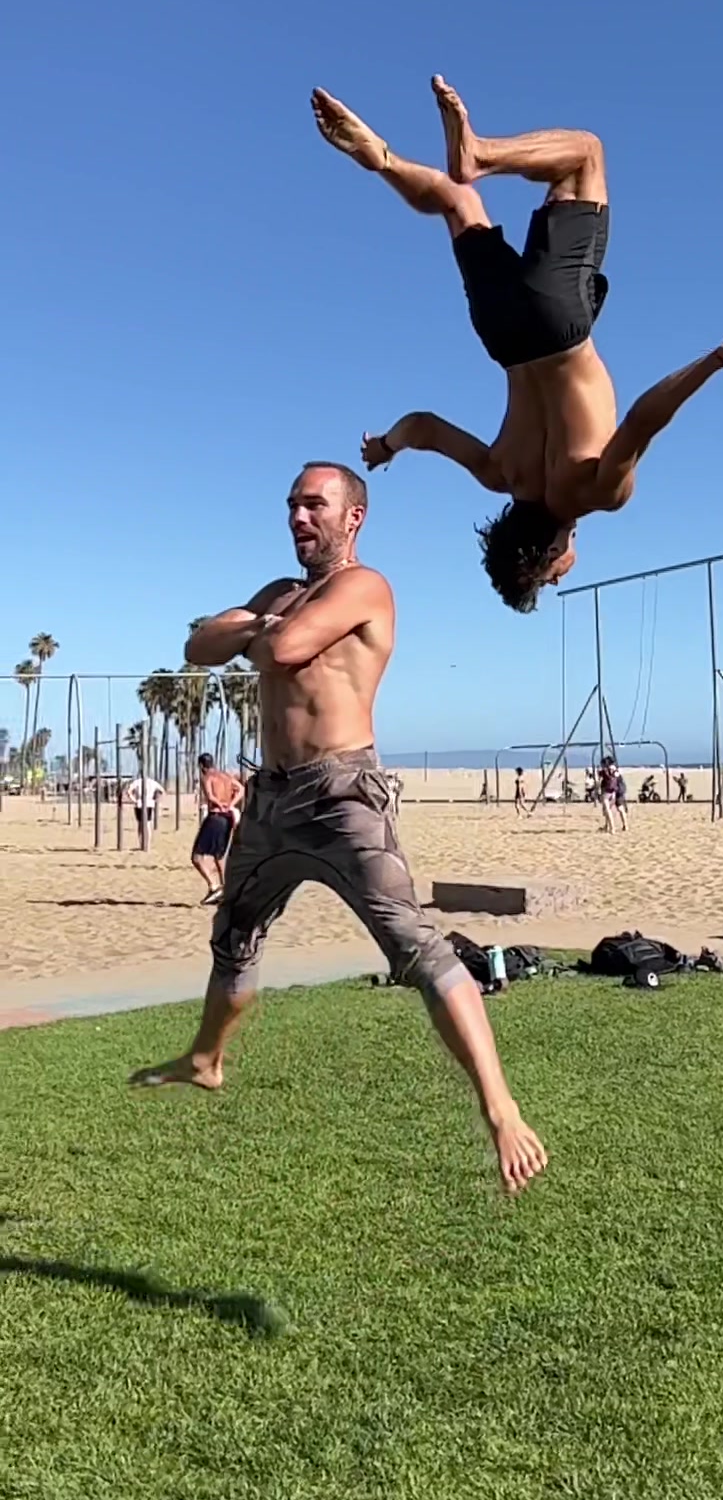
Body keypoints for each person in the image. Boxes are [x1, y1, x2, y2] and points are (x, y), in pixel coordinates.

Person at [130, 461, 547, 1195]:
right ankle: (205, 1059)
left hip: (341, 794)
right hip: (270, 798)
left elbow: (285, 651)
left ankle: (501, 1109)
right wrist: (260, 624)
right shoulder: (278, 594)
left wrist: (255, 633)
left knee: (416, 947)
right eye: (292, 504)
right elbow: (199, 646)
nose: (298, 516)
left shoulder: (365, 586)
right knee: (233, 937)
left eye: (314, 505)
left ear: (353, 517)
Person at [311, 80, 723, 612]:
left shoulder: (596, 493)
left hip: (558, 326)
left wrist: (716, 360)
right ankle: (385, 160)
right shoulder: (500, 473)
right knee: (457, 201)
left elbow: (644, 420)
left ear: (548, 553)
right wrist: (385, 447)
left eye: (548, 578)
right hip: (501, 335)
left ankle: (480, 154)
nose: (559, 579)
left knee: (584, 156)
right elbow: (423, 426)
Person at [192, 752, 243, 905]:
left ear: (201, 765)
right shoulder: (226, 776)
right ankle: (226, 889)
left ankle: (214, 886)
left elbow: (209, 796)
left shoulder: (208, 777)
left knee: (197, 857)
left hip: (215, 817)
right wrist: (231, 803)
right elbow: (241, 789)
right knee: (219, 856)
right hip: (227, 817)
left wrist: (219, 804)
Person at [126, 771, 165, 840]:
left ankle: (141, 841)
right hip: (149, 804)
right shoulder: (153, 782)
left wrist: (134, 800)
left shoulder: (137, 782)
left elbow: (129, 792)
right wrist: (156, 800)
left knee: (140, 824)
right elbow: (163, 792)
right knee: (148, 824)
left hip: (139, 804)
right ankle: (147, 841)